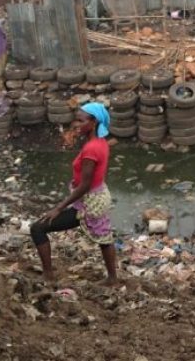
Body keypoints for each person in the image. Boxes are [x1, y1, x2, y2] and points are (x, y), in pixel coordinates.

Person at [30, 102, 118, 285]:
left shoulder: (91, 149)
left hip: (89, 201)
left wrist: (58, 207)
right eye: (75, 120)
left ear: (93, 122)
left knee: (38, 228)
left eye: (80, 120)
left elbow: (85, 185)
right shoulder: (100, 142)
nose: (76, 125)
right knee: (104, 237)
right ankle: (112, 278)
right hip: (98, 195)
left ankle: (48, 276)